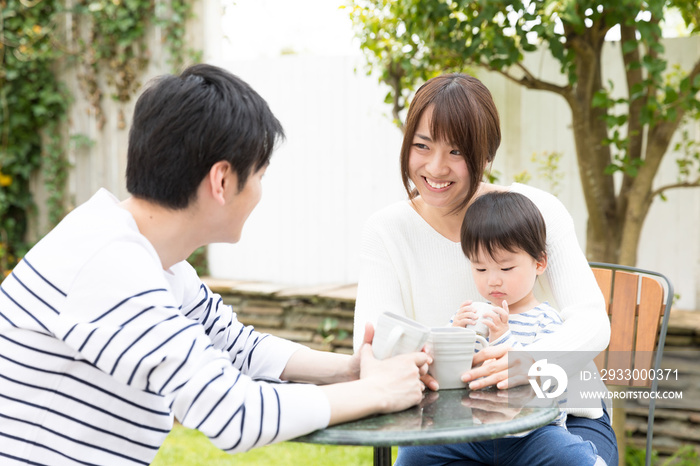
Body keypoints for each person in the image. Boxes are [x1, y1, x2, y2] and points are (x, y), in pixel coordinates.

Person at [0, 64, 430, 466]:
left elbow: (235, 346)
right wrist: (375, 392)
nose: (261, 191)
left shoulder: (154, 261)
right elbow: (232, 412)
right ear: (222, 181)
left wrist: (350, 369)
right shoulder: (108, 265)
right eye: (259, 174)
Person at [353, 73, 617, 465]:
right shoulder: (386, 230)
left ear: (487, 156)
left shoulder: (535, 210)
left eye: (456, 152)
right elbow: (373, 344)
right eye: (422, 146)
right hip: (450, 423)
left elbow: (592, 321)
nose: (436, 168)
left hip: (560, 417)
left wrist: (528, 363)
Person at [449, 191, 562, 350]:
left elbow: (539, 371)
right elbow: (436, 364)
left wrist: (502, 337)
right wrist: (453, 335)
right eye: (481, 269)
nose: (493, 281)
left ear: (539, 264)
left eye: (506, 268)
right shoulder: (472, 316)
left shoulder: (546, 321)